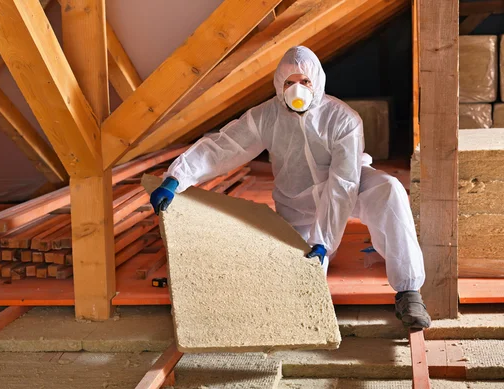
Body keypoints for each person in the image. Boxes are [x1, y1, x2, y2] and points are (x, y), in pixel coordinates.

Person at [149, 46, 431, 329]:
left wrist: (326, 239)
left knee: (389, 189)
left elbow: (343, 182)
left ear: (317, 82)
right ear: (278, 85)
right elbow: (224, 147)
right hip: (297, 203)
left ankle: (409, 291)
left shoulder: (343, 119)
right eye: (289, 83)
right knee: (301, 278)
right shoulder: (265, 116)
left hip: (351, 188)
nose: (298, 89)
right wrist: (177, 177)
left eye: (305, 81)